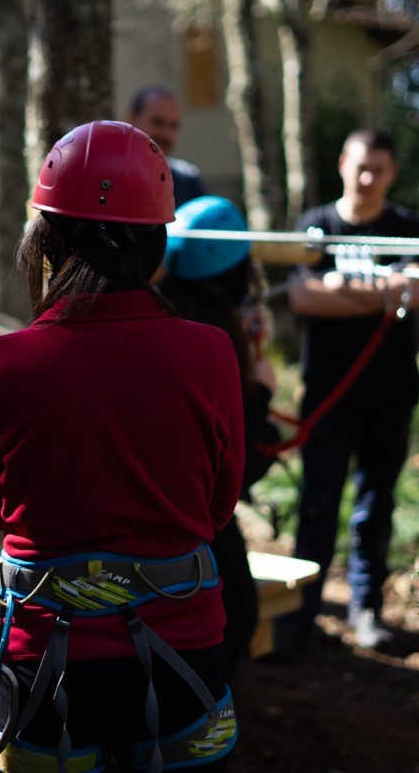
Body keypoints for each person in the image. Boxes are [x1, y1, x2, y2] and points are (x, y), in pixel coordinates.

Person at [0, 121, 243, 772]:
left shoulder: (0, 363)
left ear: (45, 239)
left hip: (42, 656)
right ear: (156, 242)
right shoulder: (211, 353)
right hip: (182, 646)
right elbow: (219, 502)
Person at [277, 128, 419, 652]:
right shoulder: (314, 226)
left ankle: (366, 610)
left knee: (375, 506)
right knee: (316, 502)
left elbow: (414, 291)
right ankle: (300, 615)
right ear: (343, 163)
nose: (368, 179)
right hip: (326, 392)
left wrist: (339, 288)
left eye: (380, 170)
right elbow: (302, 298)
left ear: (391, 173)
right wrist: (378, 293)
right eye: (361, 166)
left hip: (389, 396)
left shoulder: (411, 228)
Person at [158, 195, 281, 674]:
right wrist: (263, 399)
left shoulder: (167, 317)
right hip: (202, 530)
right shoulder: (218, 340)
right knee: (233, 626)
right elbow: (241, 454)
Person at [125, 85, 206, 206]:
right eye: (157, 122)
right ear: (131, 120)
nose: (165, 133)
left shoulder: (187, 179)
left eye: (173, 126)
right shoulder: (111, 176)